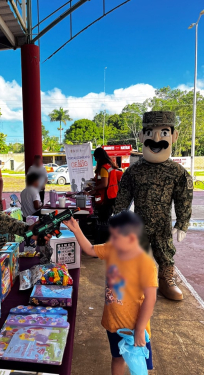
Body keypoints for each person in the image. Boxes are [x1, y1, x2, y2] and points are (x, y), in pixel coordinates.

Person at [63, 211, 157, 375]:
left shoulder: (145, 263)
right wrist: (76, 229)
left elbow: (151, 298)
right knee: (117, 358)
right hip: (113, 322)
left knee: (139, 364)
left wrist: (141, 329)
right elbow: (90, 249)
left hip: (135, 326)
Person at [115, 111, 193, 301]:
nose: (156, 139)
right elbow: (123, 195)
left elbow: (184, 198)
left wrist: (182, 223)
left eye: (164, 133)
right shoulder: (134, 171)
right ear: (142, 137)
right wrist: (117, 216)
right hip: (138, 224)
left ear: (174, 136)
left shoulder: (177, 172)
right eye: (150, 133)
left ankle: (166, 279)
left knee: (165, 252)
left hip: (162, 225)